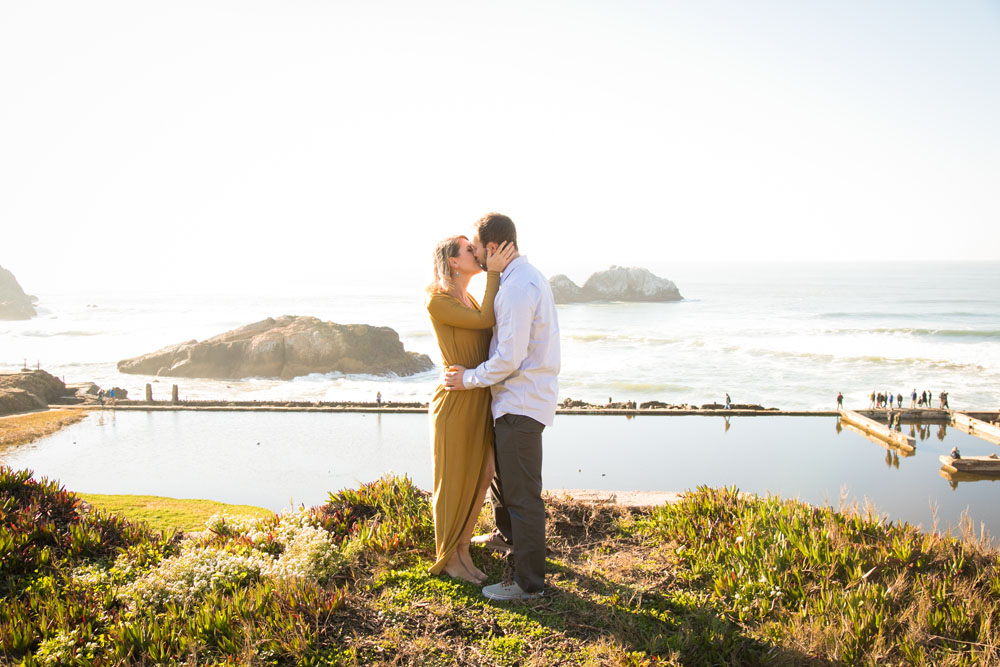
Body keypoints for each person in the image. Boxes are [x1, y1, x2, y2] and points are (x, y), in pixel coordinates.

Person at [444, 213, 561, 602]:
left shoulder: (515, 289)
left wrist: (468, 378)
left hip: (521, 401)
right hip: (514, 400)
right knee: (504, 483)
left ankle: (529, 584)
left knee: (523, 496)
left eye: (476, 249)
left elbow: (509, 358)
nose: (475, 256)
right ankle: (506, 537)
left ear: (492, 249)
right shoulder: (519, 279)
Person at [425, 233, 516, 584]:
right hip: (455, 400)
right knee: (451, 480)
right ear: (453, 261)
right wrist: (494, 272)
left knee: (482, 475)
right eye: (468, 249)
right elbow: (482, 323)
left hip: (477, 394)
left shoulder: (470, 297)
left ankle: (461, 549)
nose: (475, 253)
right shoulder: (436, 299)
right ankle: (447, 556)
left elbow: (488, 324)